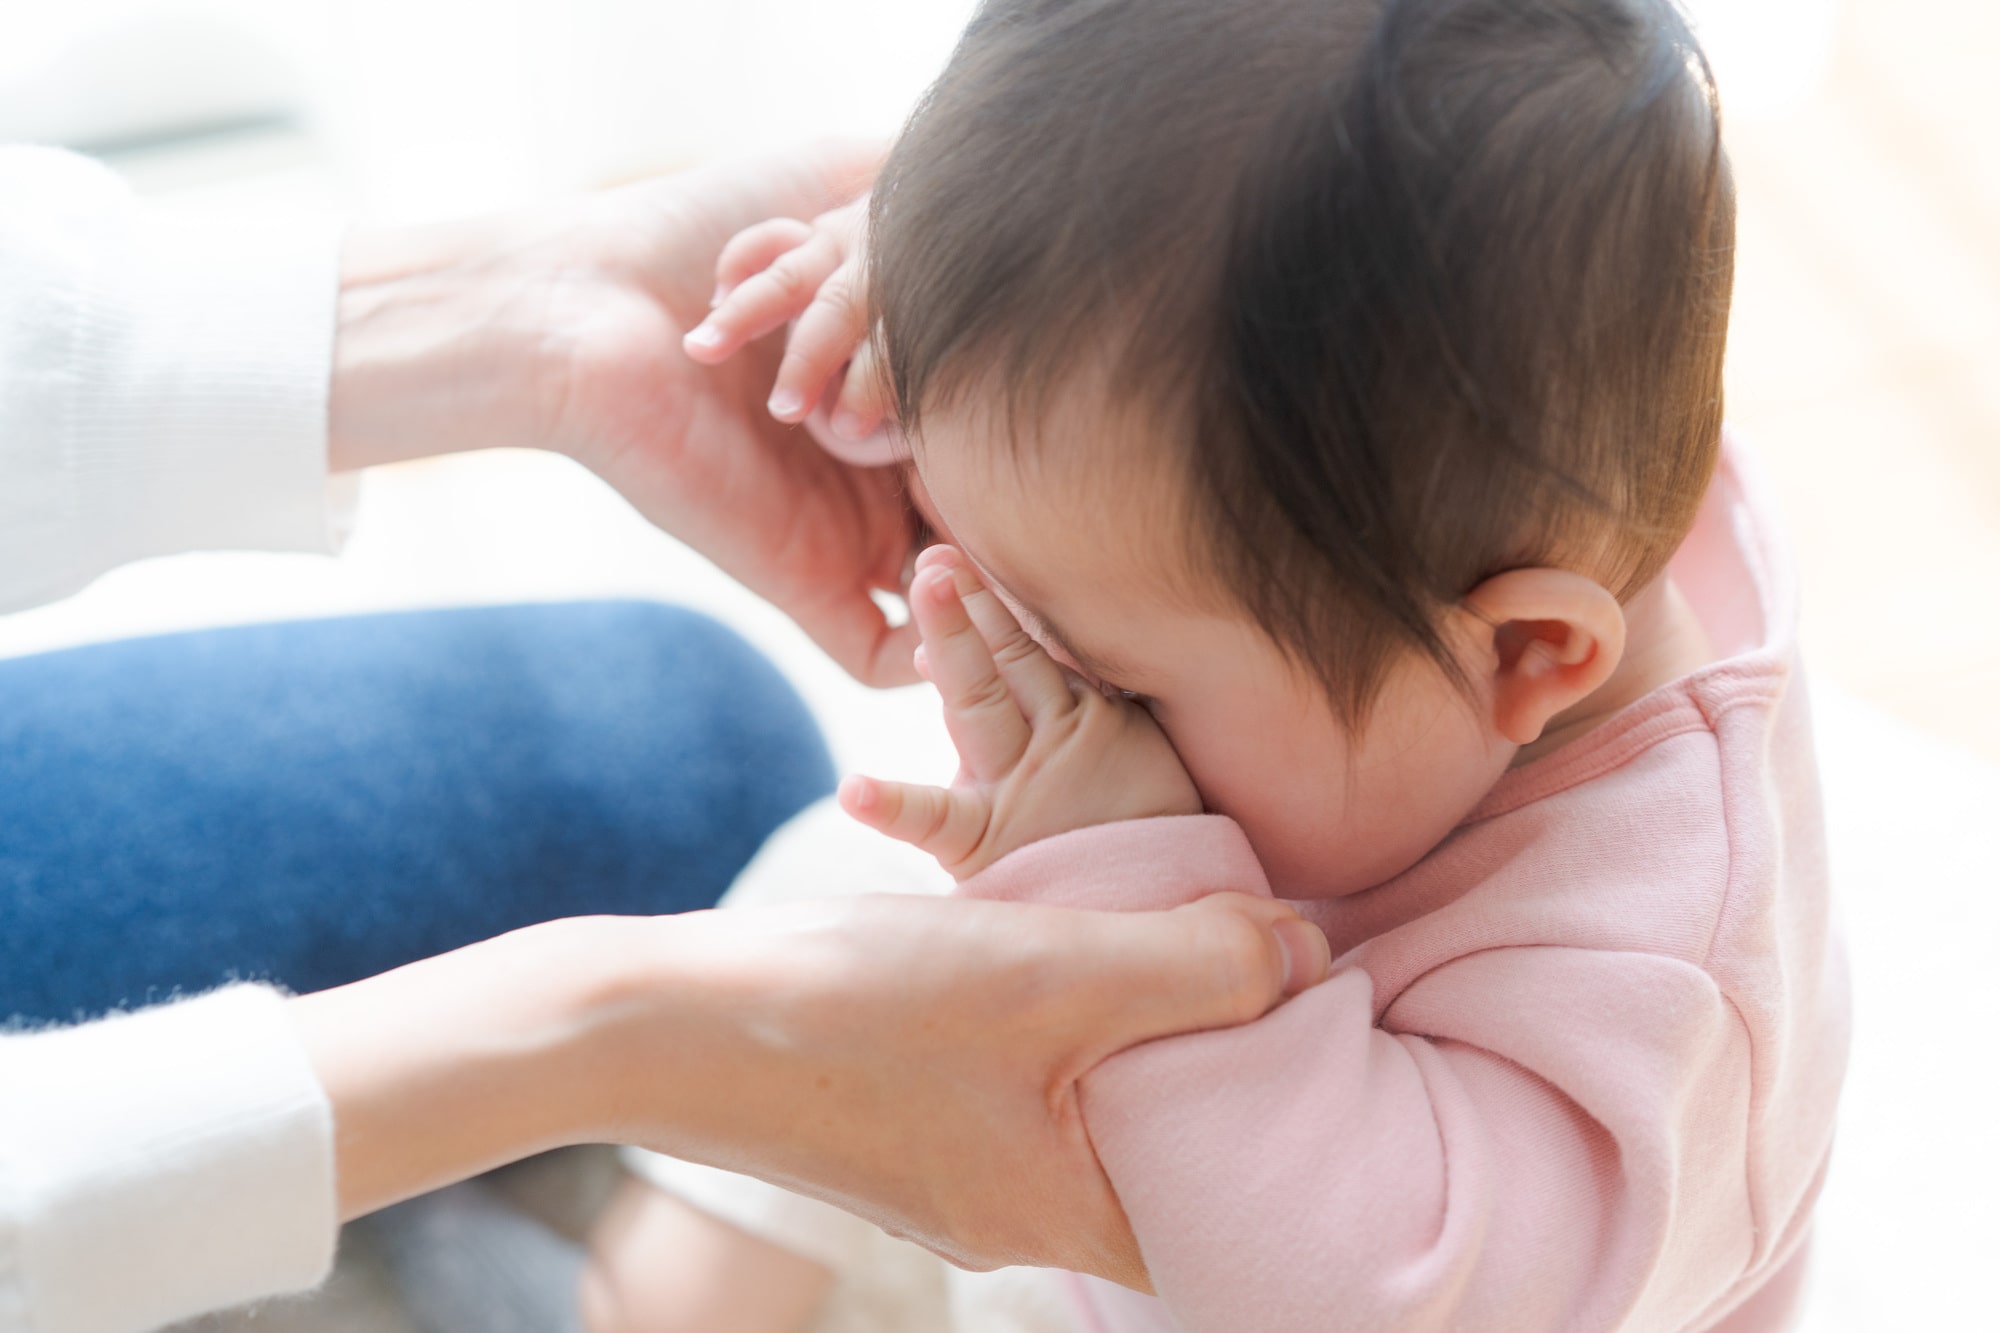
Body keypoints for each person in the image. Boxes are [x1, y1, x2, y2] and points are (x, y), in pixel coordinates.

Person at [582, 2, 1850, 1331]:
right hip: (1164, 1132)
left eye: (1124, 683)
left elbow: (1350, 1295)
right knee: (832, 899)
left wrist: (1123, 904)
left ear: (1529, 650)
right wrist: (962, 313)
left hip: (1266, 1263)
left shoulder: (1658, 993)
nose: (1010, 668)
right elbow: (1186, 288)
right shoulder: (1470, 484)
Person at [0, 137, 1337, 1333]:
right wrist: (605, 1031)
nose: (955, 634)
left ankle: (456, 1214)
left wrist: (545, 315)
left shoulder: (867, 893)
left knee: (718, 764)